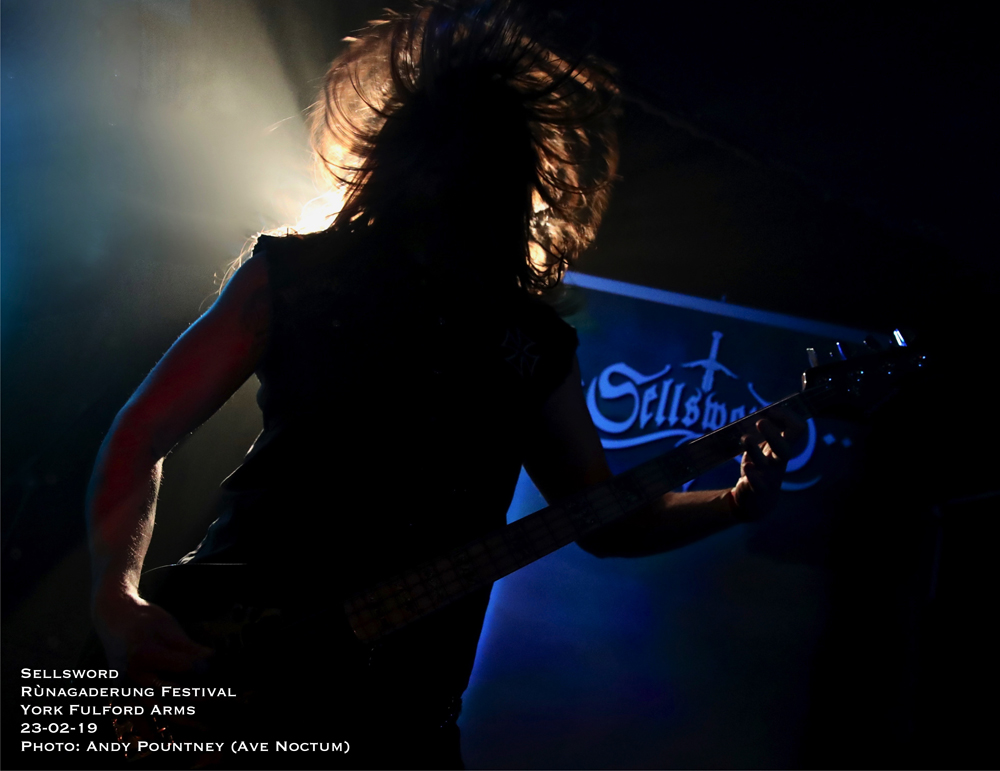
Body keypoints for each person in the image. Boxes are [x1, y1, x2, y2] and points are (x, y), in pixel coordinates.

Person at [86, 2, 803, 768]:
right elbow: (141, 432)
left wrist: (736, 502)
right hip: (227, 657)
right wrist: (116, 603)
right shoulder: (293, 276)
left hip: (398, 719)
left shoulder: (529, 346)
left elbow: (605, 521)